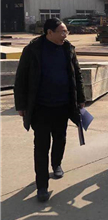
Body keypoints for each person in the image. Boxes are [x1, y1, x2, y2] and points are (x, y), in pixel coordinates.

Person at [14, 18, 86, 202]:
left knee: (60, 139)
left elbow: (77, 74)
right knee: (41, 146)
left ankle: (56, 164)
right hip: (40, 108)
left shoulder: (68, 49)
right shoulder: (33, 50)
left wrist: (81, 99)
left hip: (63, 105)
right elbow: (21, 78)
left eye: (66, 31)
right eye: (62, 31)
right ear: (49, 33)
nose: (65, 35)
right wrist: (21, 105)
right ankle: (42, 186)